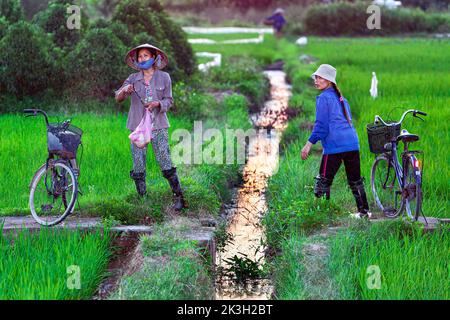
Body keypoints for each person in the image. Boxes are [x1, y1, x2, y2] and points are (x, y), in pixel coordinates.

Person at [115, 43, 188, 211]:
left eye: (145, 56)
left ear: (154, 58)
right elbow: (118, 97)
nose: (142, 59)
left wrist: (157, 103)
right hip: (137, 127)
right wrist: (124, 91)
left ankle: (179, 197)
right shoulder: (133, 78)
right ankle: (143, 200)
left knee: (164, 160)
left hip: (158, 126)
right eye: (139, 57)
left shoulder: (164, 77)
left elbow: (169, 101)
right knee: (138, 163)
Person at [300, 64, 371, 219]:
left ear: (329, 81)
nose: (316, 80)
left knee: (323, 182)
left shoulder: (323, 98)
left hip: (335, 146)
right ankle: (364, 212)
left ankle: (322, 214)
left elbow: (322, 126)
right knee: (355, 180)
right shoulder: (341, 98)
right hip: (352, 143)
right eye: (316, 77)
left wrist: (308, 144)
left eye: (319, 77)